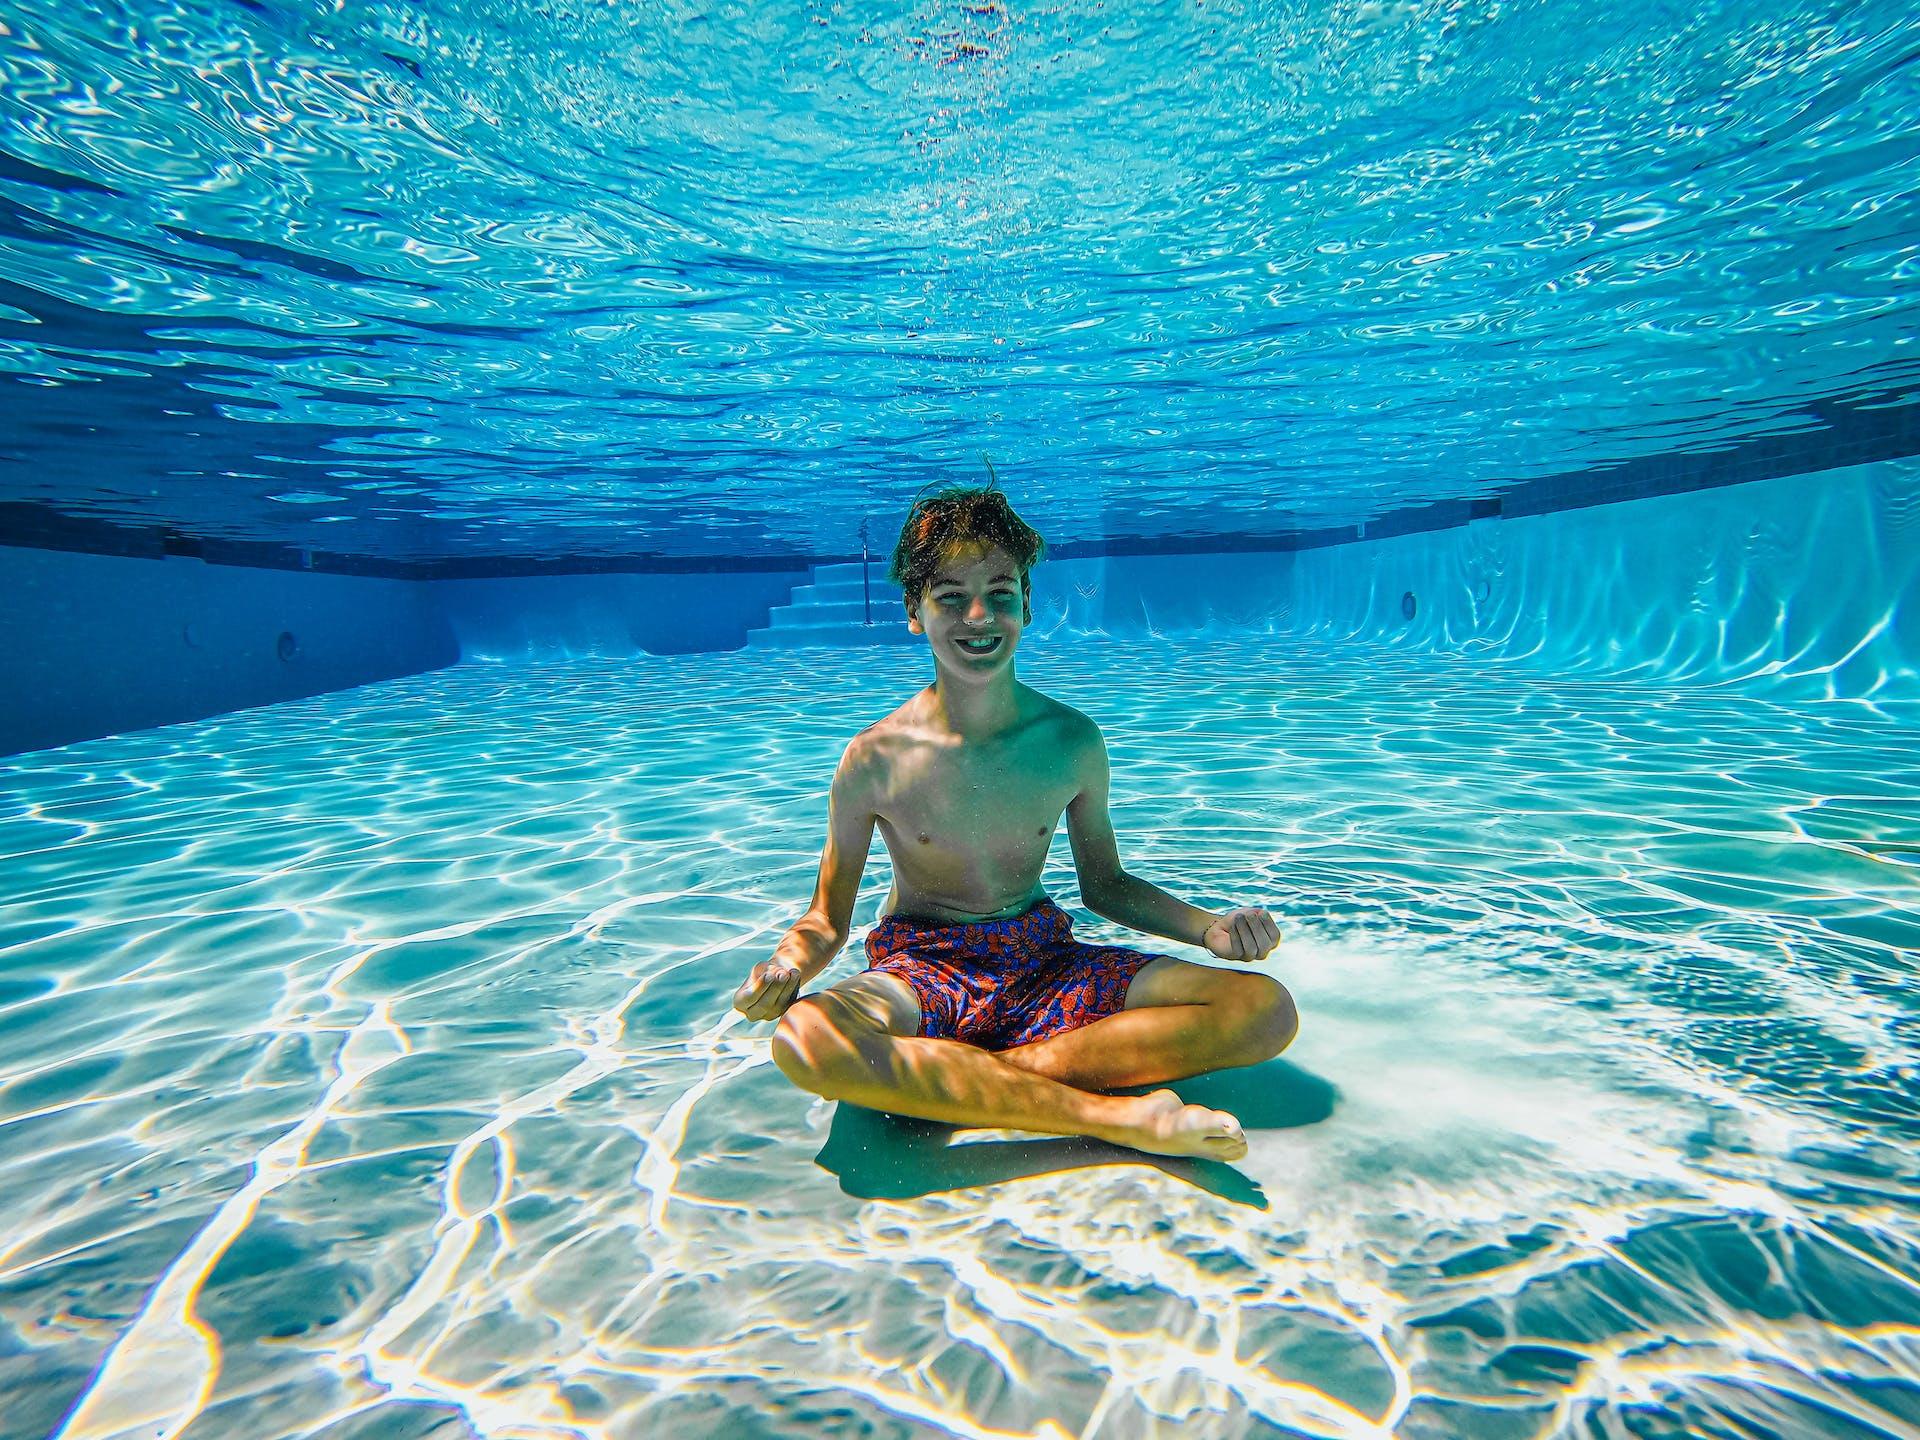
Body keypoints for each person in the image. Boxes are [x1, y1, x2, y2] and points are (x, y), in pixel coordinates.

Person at [733, 483, 1295, 1160]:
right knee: (804, 1037)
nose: (979, 616)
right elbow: (828, 919)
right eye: (949, 597)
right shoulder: (873, 758)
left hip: (1042, 958)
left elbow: (1106, 886)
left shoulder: (1071, 741)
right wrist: (788, 966)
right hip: (924, 967)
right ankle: (1114, 1118)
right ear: (915, 611)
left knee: (1264, 1010)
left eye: (1001, 593)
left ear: (1028, 604)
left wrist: (1208, 927)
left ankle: (957, 1085)